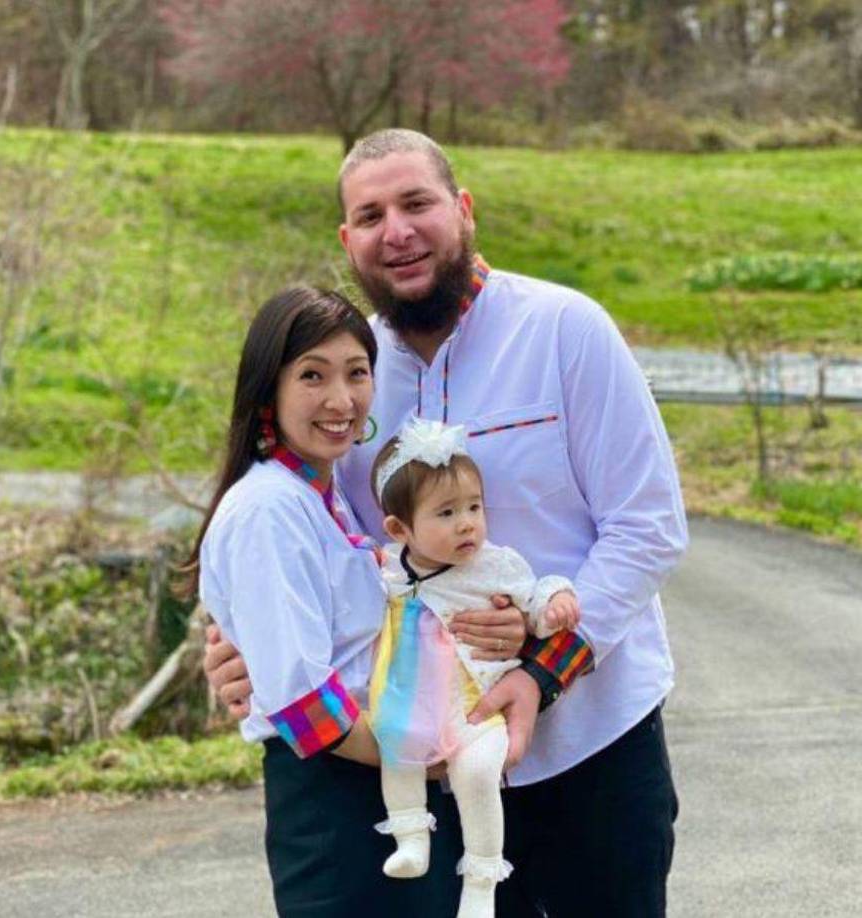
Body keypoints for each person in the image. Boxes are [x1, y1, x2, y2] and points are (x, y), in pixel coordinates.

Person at [204, 128, 688, 917]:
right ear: (348, 240)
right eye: (370, 215)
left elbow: (649, 528)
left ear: (463, 211)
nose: (396, 231)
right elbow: (330, 552)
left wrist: (542, 669)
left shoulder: (566, 331)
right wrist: (242, 644)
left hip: (591, 755)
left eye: (416, 203)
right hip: (429, 767)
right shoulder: (354, 376)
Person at [182, 286, 470, 917]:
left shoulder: (323, 489)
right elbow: (300, 698)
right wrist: (422, 763)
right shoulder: (268, 510)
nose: (341, 400)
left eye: (357, 374)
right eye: (313, 376)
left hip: (382, 786)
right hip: (337, 800)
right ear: (268, 390)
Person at [366, 418, 580, 918]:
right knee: (395, 746)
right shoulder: (389, 568)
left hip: (478, 705)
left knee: (479, 772)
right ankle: (410, 835)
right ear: (400, 529)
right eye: (446, 513)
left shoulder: (494, 564)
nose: (467, 524)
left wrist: (555, 603)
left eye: (474, 508)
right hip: (413, 701)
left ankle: (482, 880)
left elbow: (533, 595)